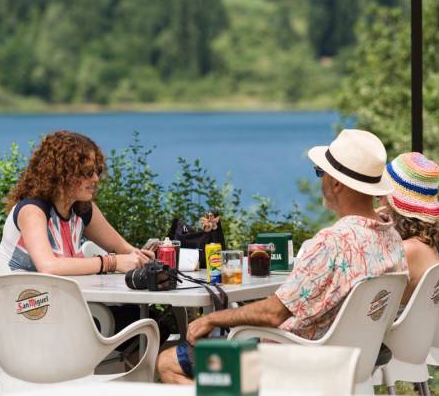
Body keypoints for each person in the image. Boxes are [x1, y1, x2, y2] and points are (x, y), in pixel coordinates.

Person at [156, 129, 408, 384]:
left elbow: (273, 314)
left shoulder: (331, 243)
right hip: (351, 360)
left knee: (168, 362)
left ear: (335, 183)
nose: (320, 182)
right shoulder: (393, 240)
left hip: (295, 361)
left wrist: (210, 319)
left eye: (320, 173)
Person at [0, 130, 154, 274]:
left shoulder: (82, 208)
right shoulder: (32, 211)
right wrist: (111, 262)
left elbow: (122, 249)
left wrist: (145, 258)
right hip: (23, 298)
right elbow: (48, 266)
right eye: (88, 172)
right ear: (62, 174)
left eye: (97, 171)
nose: (96, 179)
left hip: (61, 296)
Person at [378, 152, 439, 306]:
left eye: (382, 189)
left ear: (394, 201)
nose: (378, 197)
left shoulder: (406, 251)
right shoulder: (432, 242)